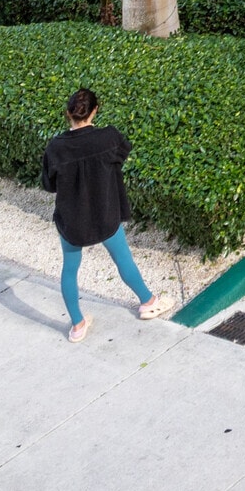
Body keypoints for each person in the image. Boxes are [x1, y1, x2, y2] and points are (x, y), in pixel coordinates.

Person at [41, 87, 170, 341]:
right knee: (122, 258)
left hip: (71, 221)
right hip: (105, 213)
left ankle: (77, 326)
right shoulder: (108, 138)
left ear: (68, 113)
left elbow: (49, 185)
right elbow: (122, 154)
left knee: (69, 270)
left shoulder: (56, 148)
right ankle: (148, 302)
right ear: (95, 111)